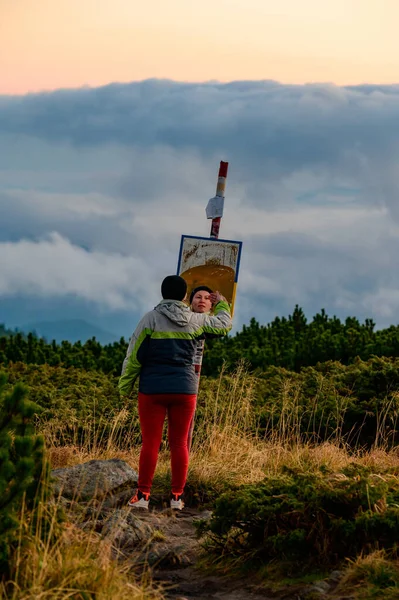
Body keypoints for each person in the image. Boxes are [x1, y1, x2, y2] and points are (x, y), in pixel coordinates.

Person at [119, 275, 231, 511]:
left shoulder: (150, 319)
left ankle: (142, 496)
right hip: (184, 389)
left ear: (162, 294)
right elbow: (223, 325)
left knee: (150, 443)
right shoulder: (195, 319)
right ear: (184, 297)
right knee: (180, 443)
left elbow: (134, 356)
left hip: (152, 389)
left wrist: (125, 385)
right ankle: (177, 498)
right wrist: (221, 303)